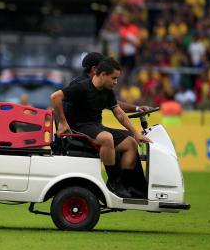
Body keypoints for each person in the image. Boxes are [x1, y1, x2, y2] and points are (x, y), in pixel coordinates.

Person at [51, 57, 151, 198]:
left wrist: (136, 133)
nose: (116, 82)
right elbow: (55, 97)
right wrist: (62, 122)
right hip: (79, 128)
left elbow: (119, 114)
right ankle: (115, 184)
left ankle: (122, 183)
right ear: (103, 74)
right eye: (114, 78)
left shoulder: (107, 91)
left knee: (131, 143)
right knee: (107, 138)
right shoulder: (81, 87)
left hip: (96, 127)